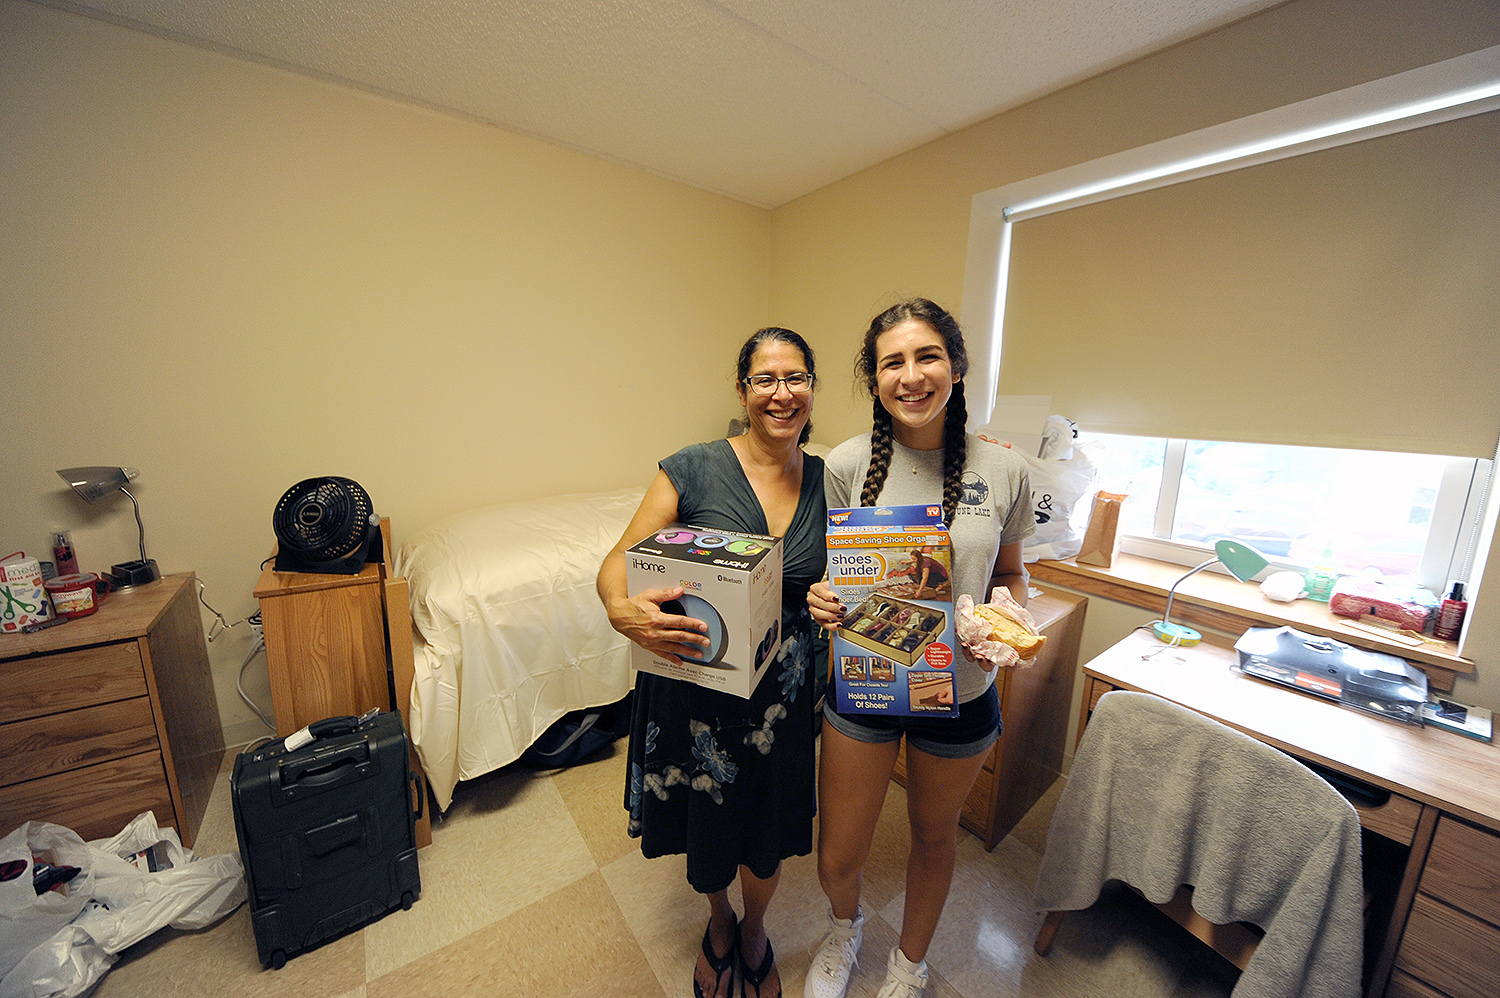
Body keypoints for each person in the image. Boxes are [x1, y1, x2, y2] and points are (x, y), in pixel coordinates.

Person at [803, 299, 1033, 998]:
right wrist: (822, 599)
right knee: (840, 852)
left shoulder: (1004, 469)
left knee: (935, 838)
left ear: (956, 368)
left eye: (927, 356)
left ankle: (910, 964)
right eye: (891, 363)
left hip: (960, 691)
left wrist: (1005, 618)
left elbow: (1014, 574)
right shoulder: (843, 463)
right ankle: (844, 930)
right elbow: (835, 571)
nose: (911, 376)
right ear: (874, 380)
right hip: (869, 681)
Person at [597, 327, 826, 998]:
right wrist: (619, 608)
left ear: (812, 386)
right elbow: (621, 556)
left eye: (795, 378)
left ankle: (755, 927)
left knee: (768, 829)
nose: (781, 395)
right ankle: (719, 920)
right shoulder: (691, 468)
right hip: (696, 685)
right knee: (708, 826)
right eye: (765, 379)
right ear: (742, 389)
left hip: (781, 697)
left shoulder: (828, 477)